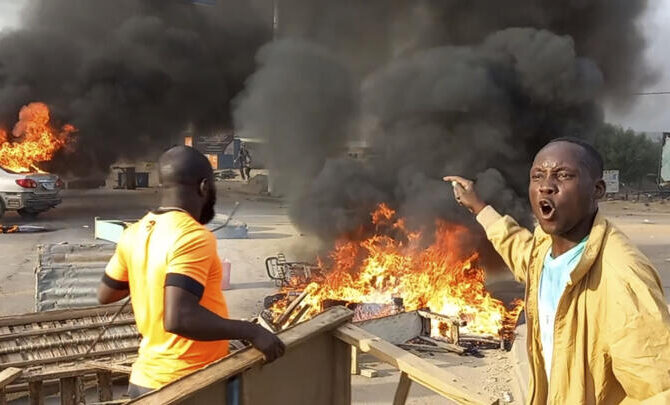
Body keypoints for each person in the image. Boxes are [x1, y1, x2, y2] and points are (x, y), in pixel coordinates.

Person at [444, 138, 670, 404]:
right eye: (537, 176)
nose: (546, 186)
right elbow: (519, 250)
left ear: (597, 190)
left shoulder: (621, 275)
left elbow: (659, 391)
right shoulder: (545, 251)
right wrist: (479, 208)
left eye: (563, 176)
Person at [97, 146, 284, 398]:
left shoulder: (135, 232)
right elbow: (179, 318)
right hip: (185, 384)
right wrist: (251, 331)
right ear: (204, 187)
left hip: (145, 380)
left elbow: (106, 293)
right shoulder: (192, 236)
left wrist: (150, 274)